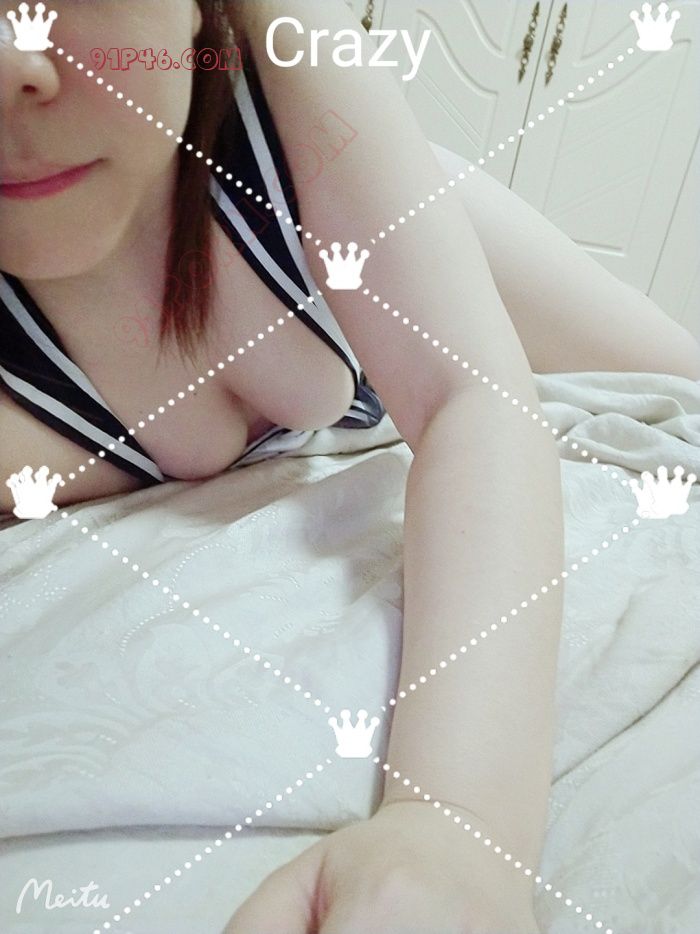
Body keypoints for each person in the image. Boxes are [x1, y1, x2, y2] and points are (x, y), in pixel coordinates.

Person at [1, 1, 698, 931]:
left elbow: (469, 398)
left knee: (682, 381)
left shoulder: (287, 49)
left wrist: (457, 822)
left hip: (381, 246)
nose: (13, 65)